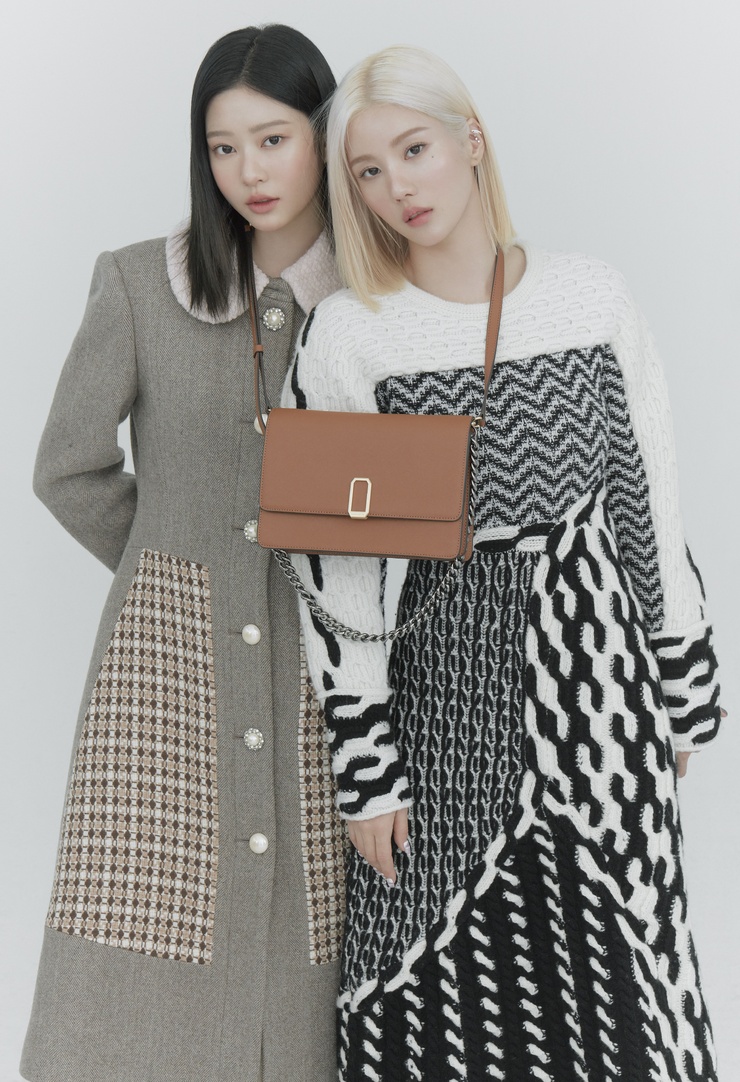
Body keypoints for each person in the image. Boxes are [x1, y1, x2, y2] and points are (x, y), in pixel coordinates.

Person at [282, 44, 725, 1082]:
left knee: (621, 974)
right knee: (431, 977)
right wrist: (366, 762)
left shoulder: (589, 297)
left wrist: (681, 687)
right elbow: (339, 576)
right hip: (443, 693)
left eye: (415, 150)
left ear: (470, 140)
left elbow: (648, 502)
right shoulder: (348, 334)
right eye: (367, 170)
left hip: (601, 681)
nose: (398, 187)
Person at [22, 24, 343, 1082]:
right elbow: (68, 467)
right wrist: (168, 570)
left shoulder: (374, 302)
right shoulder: (138, 286)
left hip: (331, 668)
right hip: (164, 678)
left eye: (272, 138)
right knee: (146, 908)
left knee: (319, 919)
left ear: (323, 134)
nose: (248, 170)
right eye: (222, 146)